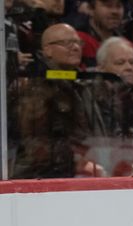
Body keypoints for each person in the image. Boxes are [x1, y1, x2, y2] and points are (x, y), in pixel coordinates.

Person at [11, 23, 105, 178]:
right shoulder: (35, 86)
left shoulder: (81, 85)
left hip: (76, 172)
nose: (75, 47)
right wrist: (77, 158)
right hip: (41, 179)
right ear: (47, 50)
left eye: (78, 42)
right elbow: (35, 145)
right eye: (67, 43)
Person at [75, 0, 125, 68]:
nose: (115, 11)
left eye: (119, 6)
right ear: (90, 9)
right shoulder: (76, 41)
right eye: (108, 5)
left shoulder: (126, 45)